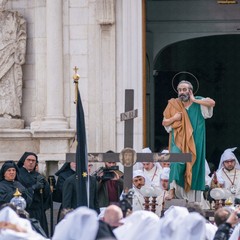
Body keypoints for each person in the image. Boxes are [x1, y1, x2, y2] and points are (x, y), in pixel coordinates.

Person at [162, 80, 215, 202]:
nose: (182, 92)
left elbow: (212, 103)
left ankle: (191, 199)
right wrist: (174, 118)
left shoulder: (199, 102)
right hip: (178, 140)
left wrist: (194, 100)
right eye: (180, 90)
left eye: (184, 89)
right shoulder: (173, 104)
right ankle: (172, 190)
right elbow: (164, 123)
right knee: (175, 161)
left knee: (194, 166)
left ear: (190, 91)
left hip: (195, 141)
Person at [0, 0, 26, 118]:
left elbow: (21, 35)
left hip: (9, 55)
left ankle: (7, 112)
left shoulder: (14, 18)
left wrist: (21, 51)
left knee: (9, 83)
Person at [17, 152, 51, 237]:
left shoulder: (38, 175)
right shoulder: (18, 174)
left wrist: (45, 185)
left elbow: (46, 195)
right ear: (23, 161)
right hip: (25, 211)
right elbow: (21, 191)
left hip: (38, 211)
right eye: (29, 160)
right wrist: (34, 187)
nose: (31, 162)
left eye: (33, 160)